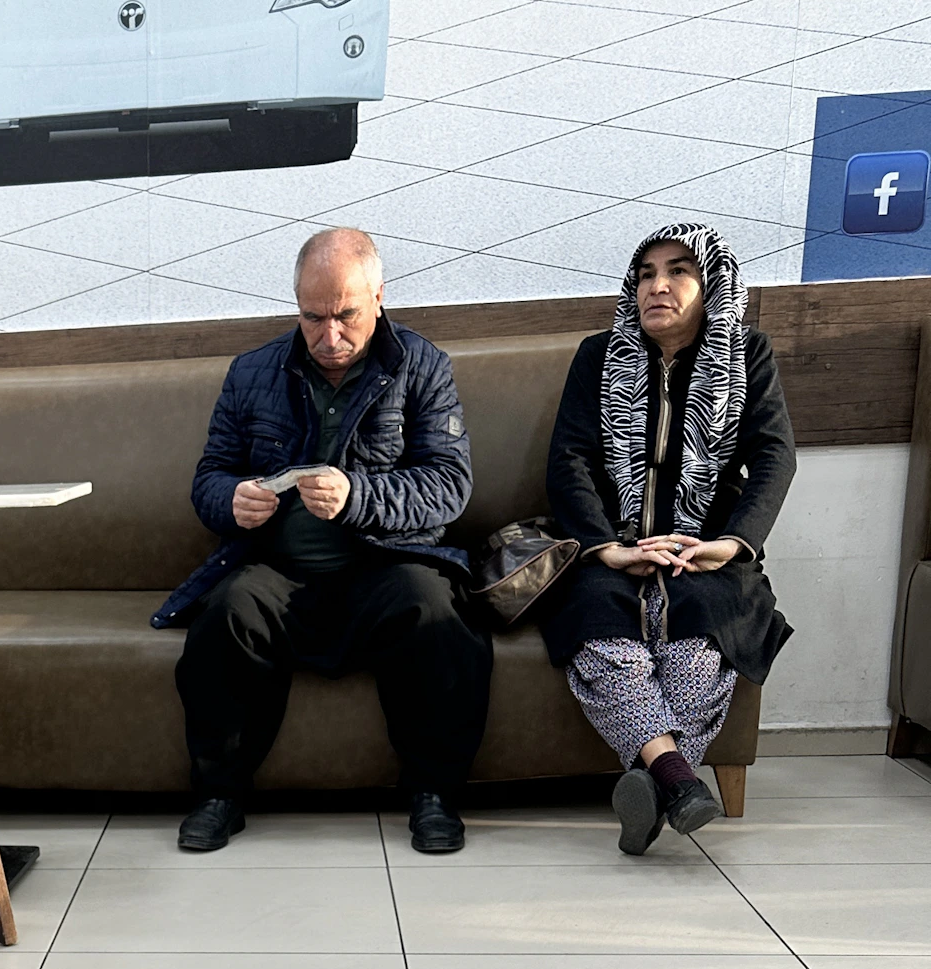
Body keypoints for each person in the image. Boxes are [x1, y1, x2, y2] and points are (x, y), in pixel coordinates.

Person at [162, 227, 489, 854]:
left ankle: (434, 794)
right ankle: (218, 794)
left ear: (379, 298)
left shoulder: (422, 366)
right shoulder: (252, 371)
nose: (329, 336)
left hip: (385, 565)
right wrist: (230, 500)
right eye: (313, 318)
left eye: (346, 316)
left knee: (435, 612)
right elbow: (209, 478)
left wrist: (358, 496)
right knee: (226, 615)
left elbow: (450, 486)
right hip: (278, 571)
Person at [541, 224, 795, 853]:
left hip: (704, 545)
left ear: (713, 285)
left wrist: (734, 544)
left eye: (679, 271)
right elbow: (568, 460)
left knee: (709, 624)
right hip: (613, 541)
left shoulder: (747, 354)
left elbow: (774, 455)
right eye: (647, 273)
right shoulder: (598, 354)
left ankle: (653, 785)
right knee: (597, 622)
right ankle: (679, 780)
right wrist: (607, 547)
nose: (658, 286)